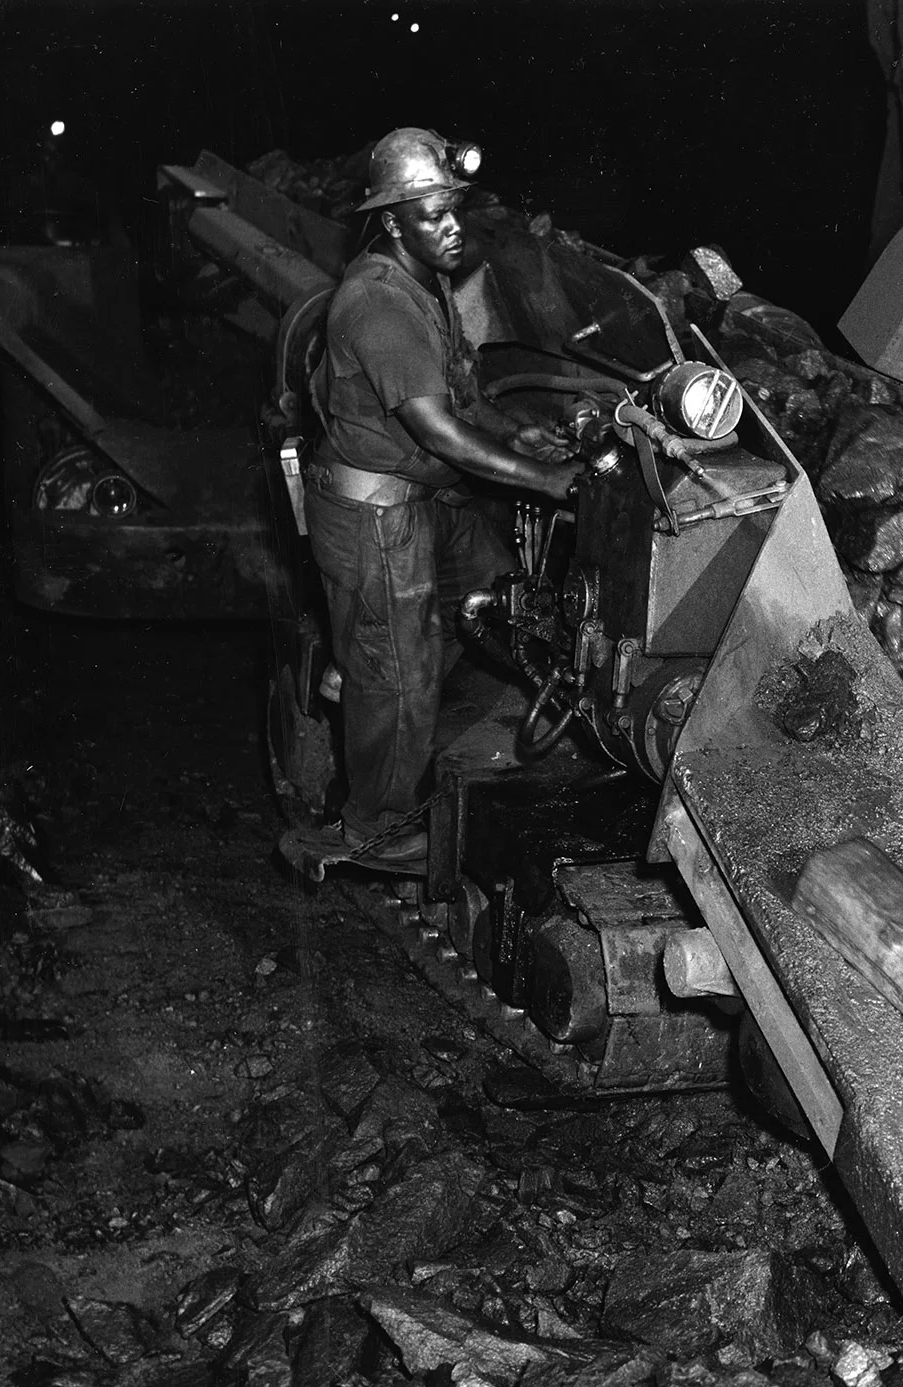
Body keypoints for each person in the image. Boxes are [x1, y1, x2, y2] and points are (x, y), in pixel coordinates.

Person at [294, 128, 581, 871]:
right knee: (401, 669)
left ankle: (359, 675)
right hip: (377, 515)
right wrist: (548, 482)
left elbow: (461, 397)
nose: (452, 227)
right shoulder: (378, 304)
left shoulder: (431, 284)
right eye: (431, 214)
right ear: (392, 222)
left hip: (424, 500)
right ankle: (374, 828)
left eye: (455, 208)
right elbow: (439, 432)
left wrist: (521, 439)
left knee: (490, 598)